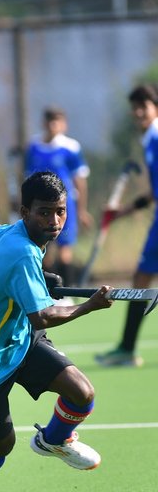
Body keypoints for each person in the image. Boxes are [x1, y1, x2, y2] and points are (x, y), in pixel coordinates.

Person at [0, 171, 112, 492]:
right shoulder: (21, 252)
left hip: (20, 339)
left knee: (82, 393)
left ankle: (54, 439)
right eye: (44, 212)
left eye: (60, 211)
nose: (54, 221)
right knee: (0, 445)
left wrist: (37, 277)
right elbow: (43, 317)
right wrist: (89, 306)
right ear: (25, 212)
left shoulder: (13, 233)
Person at [96, 84, 158, 368]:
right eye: (134, 108)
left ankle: (127, 348)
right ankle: (127, 348)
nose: (138, 112)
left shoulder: (155, 136)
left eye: (143, 106)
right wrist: (123, 211)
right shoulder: (149, 139)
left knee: (141, 279)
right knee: (141, 279)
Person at [24, 106, 92, 285]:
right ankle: (46, 292)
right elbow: (26, 177)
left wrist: (82, 210)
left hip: (65, 206)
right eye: (49, 121)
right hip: (40, 207)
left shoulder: (70, 147)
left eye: (57, 121)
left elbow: (80, 181)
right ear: (44, 123)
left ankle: (67, 291)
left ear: (64, 124)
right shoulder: (34, 146)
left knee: (65, 251)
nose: (52, 125)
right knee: (43, 251)